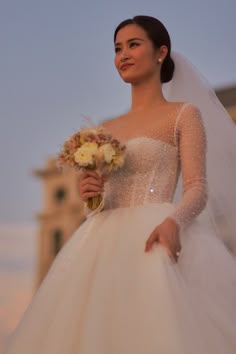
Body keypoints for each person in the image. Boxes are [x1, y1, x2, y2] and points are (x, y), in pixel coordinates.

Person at [4, 15, 236, 354]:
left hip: (155, 234)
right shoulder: (107, 127)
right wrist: (91, 196)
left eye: (133, 44)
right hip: (100, 243)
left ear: (161, 52)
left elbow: (198, 187)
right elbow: (101, 202)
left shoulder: (183, 114)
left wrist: (175, 222)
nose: (122, 55)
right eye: (116, 48)